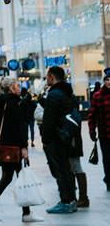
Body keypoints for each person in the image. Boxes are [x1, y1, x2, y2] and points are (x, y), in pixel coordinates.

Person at [0, 77, 41, 222]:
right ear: (11, 88)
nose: (19, 88)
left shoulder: (1, 102)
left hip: (5, 145)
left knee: (10, 178)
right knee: (15, 178)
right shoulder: (14, 103)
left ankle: (23, 213)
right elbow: (20, 127)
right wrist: (24, 147)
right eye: (17, 85)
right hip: (14, 146)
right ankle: (23, 213)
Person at [39, 66, 78, 214]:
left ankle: (65, 201)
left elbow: (49, 119)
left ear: (51, 76)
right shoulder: (67, 92)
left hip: (55, 138)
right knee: (66, 169)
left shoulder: (54, 94)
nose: (46, 80)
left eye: (47, 77)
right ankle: (72, 200)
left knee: (60, 170)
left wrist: (45, 139)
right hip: (66, 135)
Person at [88, 73, 110, 191]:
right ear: (104, 81)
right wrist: (92, 130)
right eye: (107, 79)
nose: (109, 82)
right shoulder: (98, 96)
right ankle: (109, 180)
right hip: (104, 134)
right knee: (107, 159)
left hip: (105, 132)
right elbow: (92, 115)